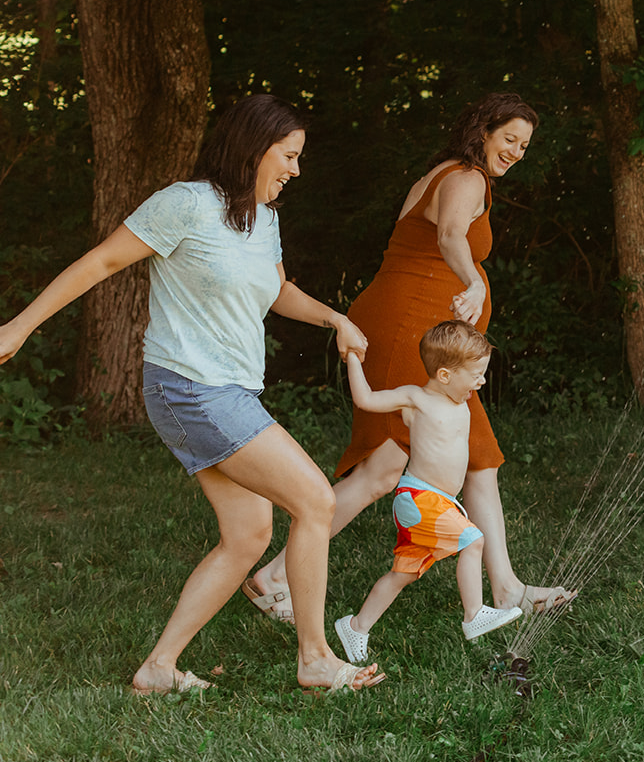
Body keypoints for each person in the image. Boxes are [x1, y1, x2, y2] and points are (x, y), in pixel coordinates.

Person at [0, 94, 384, 694]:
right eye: (289, 155)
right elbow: (102, 262)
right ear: (255, 148)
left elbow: (278, 293)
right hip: (189, 387)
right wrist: (19, 326)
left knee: (249, 534)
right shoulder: (186, 204)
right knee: (315, 502)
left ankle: (158, 670)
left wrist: (336, 318)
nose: (295, 170)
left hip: (229, 389)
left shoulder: (265, 218)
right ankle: (315, 658)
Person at [246, 92, 571, 623]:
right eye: (509, 138)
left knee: (476, 459)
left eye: (525, 145)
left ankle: (507, 587)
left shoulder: (443, 173)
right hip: (408, 332)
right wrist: (472, 282)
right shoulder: (466, 178)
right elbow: (447, 237)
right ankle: (276, 574)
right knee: (386, 467)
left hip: (407, 324)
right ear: (482, 130)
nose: (516, 152)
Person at [334, 321, 537, 664]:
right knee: (473, 540)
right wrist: (353, 358)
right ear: (444, 375)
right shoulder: (417, 400)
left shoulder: (459, 399)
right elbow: (365, 399)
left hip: (440, 502)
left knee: (402, 574)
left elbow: (458, 348)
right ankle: (474, 614)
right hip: (417, 496)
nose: (481, 381)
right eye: (475, 375)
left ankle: (356, 626)